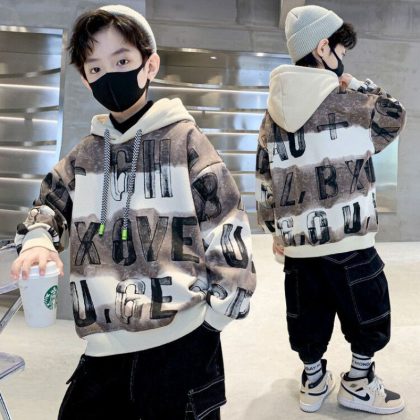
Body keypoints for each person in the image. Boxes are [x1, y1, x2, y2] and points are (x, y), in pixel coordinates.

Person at [11, 5, 256, 419]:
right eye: (96, 68)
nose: (110, 75)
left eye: (122, 61)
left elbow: (228, 227)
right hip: (102, 345)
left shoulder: (187, 141)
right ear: (86, 80)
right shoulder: (86, 155)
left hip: (183, 342)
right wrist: (38, 240)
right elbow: (49, 206)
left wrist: (214, 321)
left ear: (149, 65)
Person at [256, 4, 406, 415]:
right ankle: (358, 382)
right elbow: (395, 116)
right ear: (323, 48)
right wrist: (355, 82)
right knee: (367, 311)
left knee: (307, 316)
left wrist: (275, 231)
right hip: (350, 237)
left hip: (300, 244)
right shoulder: (349, 100)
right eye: (341, 50)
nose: (343, 59)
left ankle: (313, 380)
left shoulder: (272, 112)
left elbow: (265, 174)